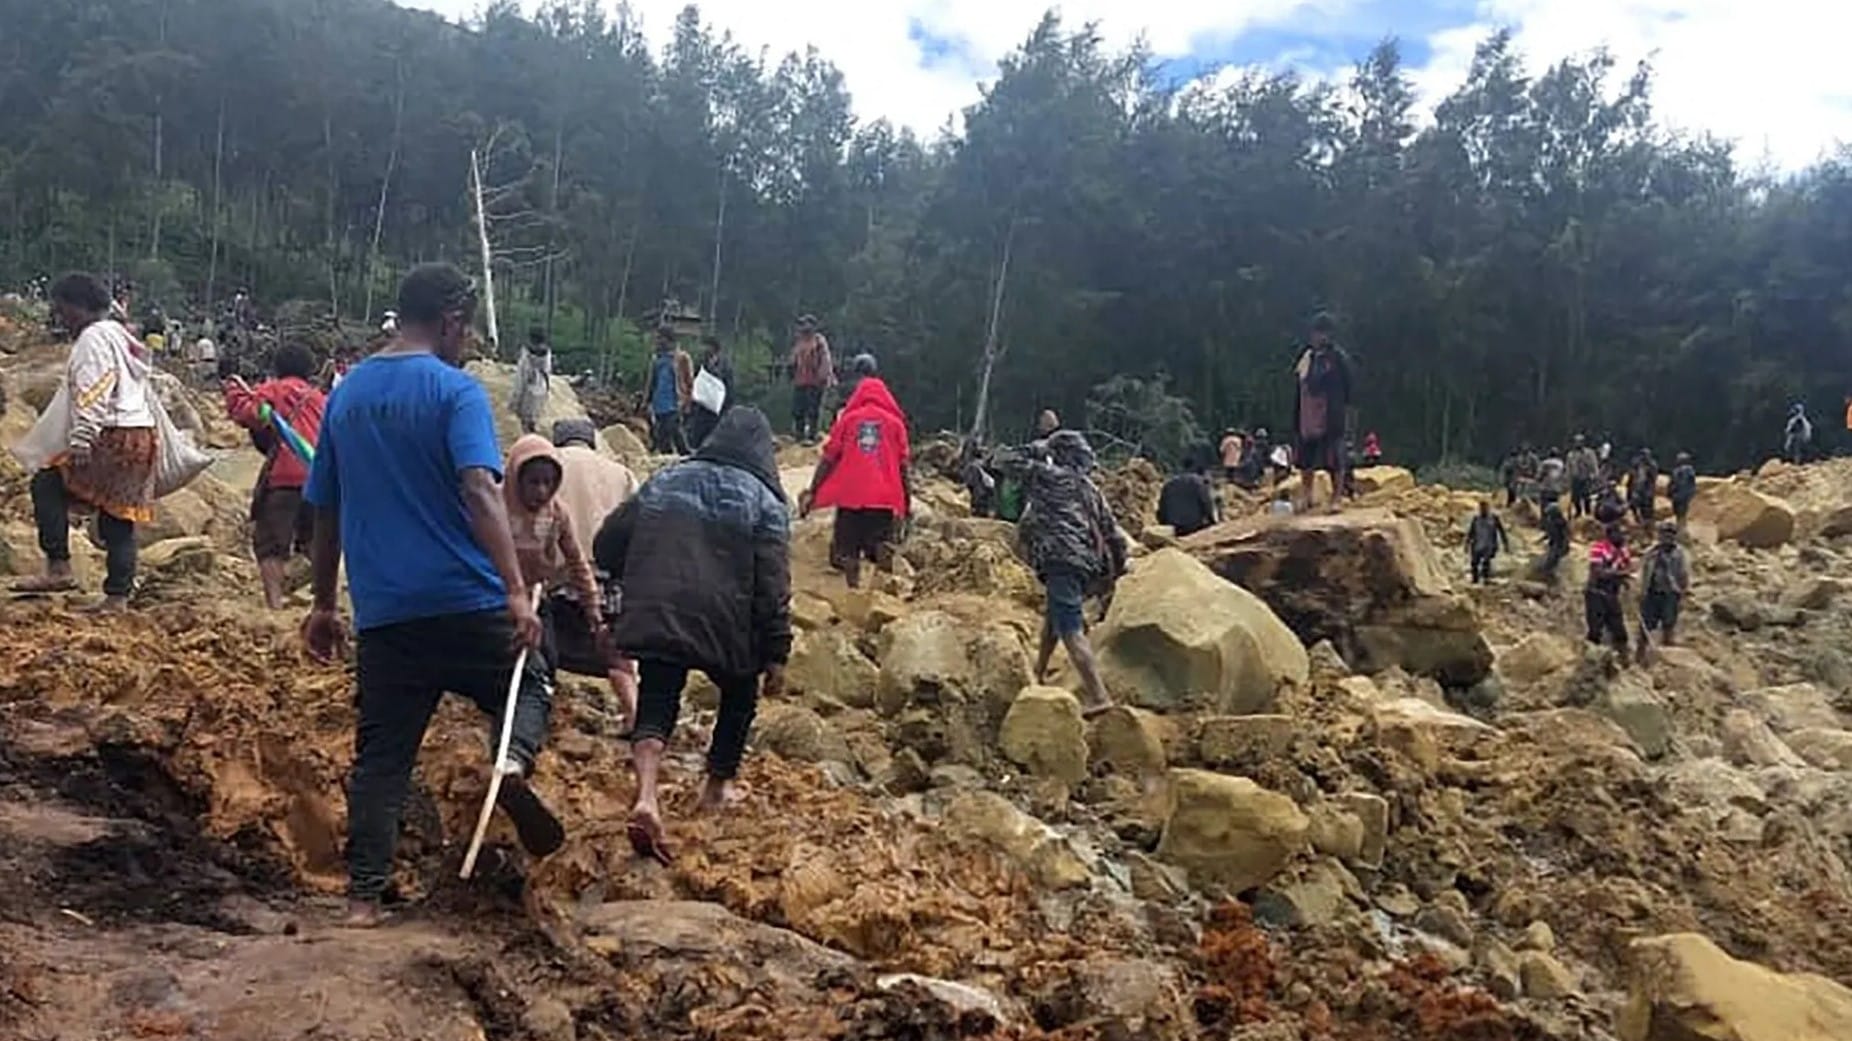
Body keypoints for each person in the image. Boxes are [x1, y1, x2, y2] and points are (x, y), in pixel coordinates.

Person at [301, 263, 560, 928]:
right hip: (467, 599)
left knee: (383, 756)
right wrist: (515, 592)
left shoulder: (347, 395)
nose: (468, 339)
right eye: (466, 327)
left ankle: (362, 898)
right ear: (450, 320)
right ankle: (509, 761)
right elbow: (479, 488)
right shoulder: (456, 392)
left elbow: (326, 510)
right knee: (531, 677)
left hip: (387, 613)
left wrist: (325, 605)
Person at [593, 407, 791, 865]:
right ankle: (717, 787)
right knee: (739, 697)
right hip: (728, 624)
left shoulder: (667, 479)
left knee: (659, 697)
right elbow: (773, 584)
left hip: (661, 609)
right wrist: (777, 652)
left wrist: (632, 576)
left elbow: (607, 541)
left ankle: (646, 794)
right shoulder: (766, 501)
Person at [13, 273, 157, 609]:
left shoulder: (93, 339)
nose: (61, 318)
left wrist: (82, 437)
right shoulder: (122, 336)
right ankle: (117, 597)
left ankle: (59, 567)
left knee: (47, 484)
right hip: (140, 434)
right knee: (117, 516)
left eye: (64, 310)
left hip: (111, 435)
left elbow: (97, 386)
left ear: (80, 307)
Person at [1001, 430, 1125, 715]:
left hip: (1060, 559)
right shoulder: (1091, 490)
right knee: (1054, 618)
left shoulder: (1048, 476)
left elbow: (1003, 460)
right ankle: (1039, 672)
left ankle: (1099, 695)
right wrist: (1115, 573)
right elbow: (1114, 534)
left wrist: (1035, 448)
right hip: (1086, 565)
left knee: (1070, 629)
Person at [549, 419, 640, 727]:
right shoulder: (620, 473)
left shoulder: (549, 464)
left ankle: (537, 712)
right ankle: (635, 717)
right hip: (607, 579)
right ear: (591, 441)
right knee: (619, 660)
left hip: (558, 576)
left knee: (541, 650)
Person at [224, 341, 327, 610]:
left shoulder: (274, 390)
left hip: (283, 476)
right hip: (319, 477)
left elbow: (249, 414)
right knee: (315, 539)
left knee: (271, 544)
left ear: (277, 367)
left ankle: (275, 604)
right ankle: (319, 601)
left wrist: (234, 391)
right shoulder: (320, 398)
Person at [801, 355, 910, 590]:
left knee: (847, 549)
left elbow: (829, 459)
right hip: (883, 497)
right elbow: (903, 467)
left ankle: (853, 591)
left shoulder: (848, 420)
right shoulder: (895, 423)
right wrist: (906, 504)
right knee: (881, 543)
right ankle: (883, 592)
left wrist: (813, 490)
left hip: (851, 494)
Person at [1291, 313, 1355, 513]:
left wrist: (1344, 410)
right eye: (1316, 333)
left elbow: (1349, 386)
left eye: (1323, 333)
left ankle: (1336, 498)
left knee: (1334, 458)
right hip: (1307, 415)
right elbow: (1299, 386)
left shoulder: (1338, 358)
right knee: (1305, 459)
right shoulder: (1307, 358)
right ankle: (1307, 496)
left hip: (1331, 413)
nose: (1319, 337)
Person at [1637, 521, 1689, 662]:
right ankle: (1639, 655)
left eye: (1670, 534)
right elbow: (1643, 570)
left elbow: (1683, 573)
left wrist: (1683, 591)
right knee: (1646, 625)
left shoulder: (1679, 553)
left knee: (1669, 621)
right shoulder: (1652, 551)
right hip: (1652, 592)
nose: (1666, 537)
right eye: (1664, 534)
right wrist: (1641, 590)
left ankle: (1668, 652)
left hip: (1671, 592)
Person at [1585, 524, 1634, 656]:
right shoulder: (1599, 548)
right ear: (1610, 535)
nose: (1624, 537)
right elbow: (1597, 572)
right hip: (1596, 593)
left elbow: (1628, 568)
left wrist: (1623, 577)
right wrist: (1620, 574)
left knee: (1619, 630)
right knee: (1595, 630)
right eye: (1621, 534)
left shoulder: (1624, 550)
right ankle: (1590, 658)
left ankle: (1623, 660)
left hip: (1612, 593)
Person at [646, 326, 693, 456]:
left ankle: (685, 454)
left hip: (674, 402)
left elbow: (689, 381)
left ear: (668, 340)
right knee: (661, 434)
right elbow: (651, 382)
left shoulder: (682, 358)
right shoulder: (657, 359)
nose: (658, 341)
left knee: (674, 430)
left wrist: (687, 402)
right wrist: (647, 400)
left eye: (660, 338)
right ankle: (666, 456)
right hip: (659, 402)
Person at [789, 315, 834, 443]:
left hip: (815, 382)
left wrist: (824, 377)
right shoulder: (799, 342)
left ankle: (812, 435)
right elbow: (793, 359)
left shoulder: (819, 341)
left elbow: (825, 360)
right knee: (798, 409)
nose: (803, 327)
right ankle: (799, 434)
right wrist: (791, 371)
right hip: (800, 381)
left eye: (806, 324)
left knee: (813, 409)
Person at [686, 335, 735, 448]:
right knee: (697, 440)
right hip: (701, 411)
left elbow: (729, 389)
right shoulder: (701, 364)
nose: (703, 349)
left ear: (714, 348)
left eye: (706, 346)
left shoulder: (725, 366)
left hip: (717, 413)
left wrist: (726, 409)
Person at [1157, 449, 1220, 537]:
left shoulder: (1169, 484)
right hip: (1193, 527)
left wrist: (1164, 526)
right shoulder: (1198, 483)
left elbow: (1161, 509)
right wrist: (1214, 523)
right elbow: (1207, 504)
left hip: (1172, 528)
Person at [512, 327, 552, 435]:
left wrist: (514, 402)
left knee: (525, 422)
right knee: (533, 421)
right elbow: (548, 372)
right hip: (541, 387)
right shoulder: (547, 353)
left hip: (528, 389)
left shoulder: (526, 354)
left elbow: (521, 378)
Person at [1466, 501, 1509, 584]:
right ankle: (1475, 580)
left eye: (1485, 508)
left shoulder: (1494, 518)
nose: (1483, 510)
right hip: (1477, 545)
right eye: (1482, 508)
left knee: (1486, 562)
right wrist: (1467, 544)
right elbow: (1471, 532)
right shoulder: (1476, 519)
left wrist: (1505, 544)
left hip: (1489, 545)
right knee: (1474, 563)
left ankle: (1486, 579)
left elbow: (1501, 531)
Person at [1537, 494, 1571, 581]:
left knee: (1551, 562)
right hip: (1553, 544)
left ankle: (1551, 578)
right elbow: (1549, 533)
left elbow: (1566, 535)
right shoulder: (1550, 521)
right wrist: (1540, 540)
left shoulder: (1561, 522)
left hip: (1559, 545)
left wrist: (1564, 546)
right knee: (1549, 561)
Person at [1566, 435, 1600, 518]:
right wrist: (1568, 479)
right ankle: (1578, 512)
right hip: (1575, 479)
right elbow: (1568, 467)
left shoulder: (1589, 453)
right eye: (1576, 442)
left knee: (1586, 496)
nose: (1578, 444)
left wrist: (1594, 475)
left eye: (1580, 442)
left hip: (1586, 478)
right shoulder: (1571, 455)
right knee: (1576, 498)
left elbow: (1594, 464)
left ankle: (1588, 512)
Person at [1627, 449, 1659, 527]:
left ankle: (1645, 526)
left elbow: (1642, 479)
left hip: (1644, 491)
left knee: (1644, 510)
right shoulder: (1645, 465)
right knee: (1644, 510)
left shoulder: (1648, 466)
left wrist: (1636, 491)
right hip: (1645, 490)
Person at [1668, 452, 1697, 528]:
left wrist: (1670, 492)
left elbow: (1673, 483)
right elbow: (1693, 484)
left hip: (1678, 495)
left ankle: (1680, 528)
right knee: (1684, 514)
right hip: (1687, 496)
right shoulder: (1691, 471)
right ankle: (1683, 527)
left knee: (1678, 513)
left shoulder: (1677, 471)